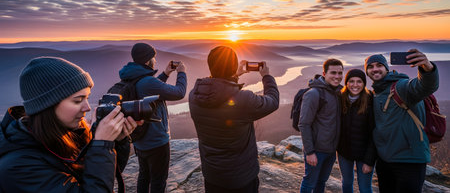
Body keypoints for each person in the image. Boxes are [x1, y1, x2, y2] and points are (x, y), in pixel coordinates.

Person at [0, 56, 139, 192]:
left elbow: (100, 177)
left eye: (87, 98)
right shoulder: (18, 167)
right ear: (47, 105)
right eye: (78, 100)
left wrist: (115, 142)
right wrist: (102, 144)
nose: (87, 107)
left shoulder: (69, 132)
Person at [189, 46, 279, 193]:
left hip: (212, 175)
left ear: (210, 66)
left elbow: (218, 91)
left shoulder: (195, 95)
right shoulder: (244, 99)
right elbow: (273, 101)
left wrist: (234, 75)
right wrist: (266, 76)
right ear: (233, 66)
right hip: (241, 178)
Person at [365, 50, 439, 193]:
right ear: (367, 71)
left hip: (409, 160)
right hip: (385, 161)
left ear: (386, 68)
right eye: (370, 66)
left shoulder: (401, 87)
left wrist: (427, 68)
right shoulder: (375, 94)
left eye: (379, 65)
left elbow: (425, 86)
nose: (375, 69)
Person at [119, 42, 187, 193]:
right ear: (147, 60)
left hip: (140, 138)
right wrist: (181, 73)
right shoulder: (147, 81)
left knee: (144, 176)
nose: (155, 61)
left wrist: (166, 74)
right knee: (158, 179)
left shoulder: (132, 76)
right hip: (156, 140)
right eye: (153, 58)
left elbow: (151, 90)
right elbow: (179, 92)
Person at [299, 58, 343, 193]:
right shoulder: (313, 94)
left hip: (331, 150)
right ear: (324, 74)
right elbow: (304, 124)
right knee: (309, 183)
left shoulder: (338, 92)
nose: (337, 76)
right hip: (316, 150)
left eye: (340, 73)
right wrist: (310, 152)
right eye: (333, 73)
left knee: (321, 182)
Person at [337, 69, 376, 193]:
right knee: (347, 183)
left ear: (364, 83)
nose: (355, 85)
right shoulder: (340, 98)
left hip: (364, 154)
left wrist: (369, 161)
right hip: (344, 152)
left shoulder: (370, 100)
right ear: (346, 83)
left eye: (359, 81)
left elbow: (374, 133)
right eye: (351, 81)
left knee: (364, 187)